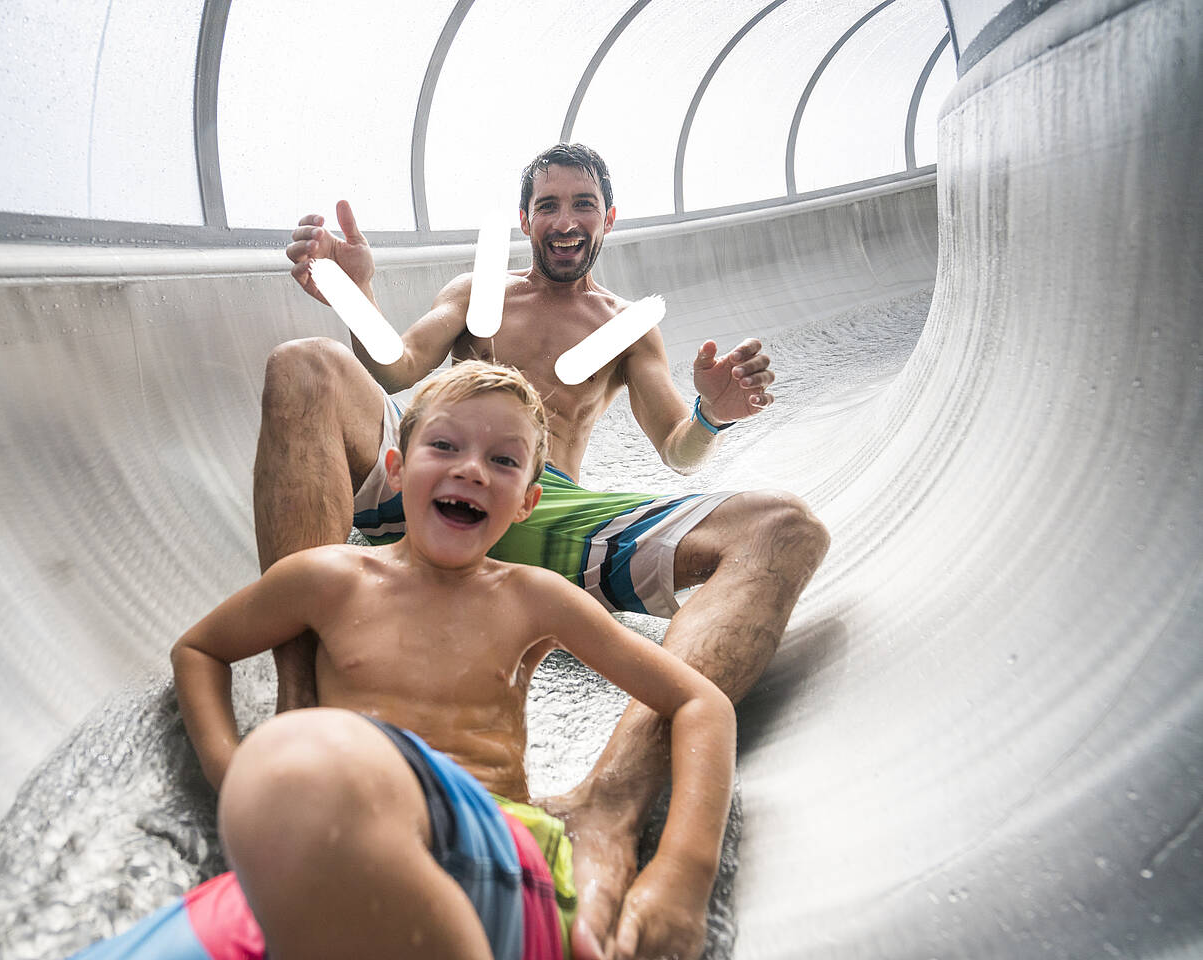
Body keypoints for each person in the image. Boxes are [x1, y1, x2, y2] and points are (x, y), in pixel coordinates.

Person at [257, 142, 830, 950]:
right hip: (433, 481)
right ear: (524, 219)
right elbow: (394, 367)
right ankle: (300, 715)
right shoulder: (477, 293)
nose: (564, 221)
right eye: (549, 205)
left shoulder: (625, 328)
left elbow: (676, 444)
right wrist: (355, 296)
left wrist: (711, 412)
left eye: (582, 204)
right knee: (304, 366)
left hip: (547, 502)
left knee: (785, 527)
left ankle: (613, 803)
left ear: (608, 218)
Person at [71, 362, 736, 960]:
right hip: (324, 840)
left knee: (303, 759)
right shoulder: (328, 579)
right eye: (444, 446)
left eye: (503, 462)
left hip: (487, 853)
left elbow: (701, 703)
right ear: (395, 469)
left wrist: (681, 876)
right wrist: (234, 774)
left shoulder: (532, 598)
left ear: (527, 503)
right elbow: (199, 650)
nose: (470, 469)